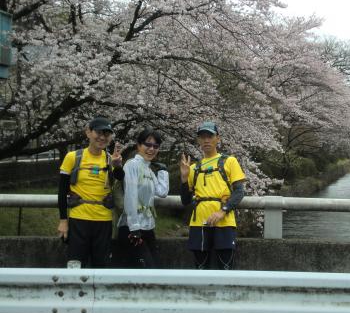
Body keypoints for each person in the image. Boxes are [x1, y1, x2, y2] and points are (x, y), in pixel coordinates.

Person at [57, 116, 124, 268]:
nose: (102, 137)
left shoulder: (111, 159)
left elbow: (121, 177)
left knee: (102, 266)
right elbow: (62, 192)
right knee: (75, 265)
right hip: (78, 219)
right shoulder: (73, 157)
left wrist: (118, 166)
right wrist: (63, 221)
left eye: (106, 134)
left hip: (104, 221)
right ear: (88, 132)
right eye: (98, 133)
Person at [180, 121, 246, 271]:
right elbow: (185, 201)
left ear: (218, 138)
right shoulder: (193, 168)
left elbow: (239, 191)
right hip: (198, 223)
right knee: (200, 268)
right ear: (198, 141)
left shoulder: (229, 161)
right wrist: (184, 180)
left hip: (224, 221)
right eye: (202, 137)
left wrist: (223, 211)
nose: (206, 140)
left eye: (210, 136)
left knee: (225, 267)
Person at [117, 128, 169, 268]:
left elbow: (162, 192)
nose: (151, 149)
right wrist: (134, 228)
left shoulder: (149, 169)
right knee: (146, 269)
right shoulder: (132, 165)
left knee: (155, 268)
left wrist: (163, 171)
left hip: (148, 226)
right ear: (139, 145)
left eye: (155, 146)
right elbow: (130, 196)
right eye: (148, 144)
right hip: (132, 229)